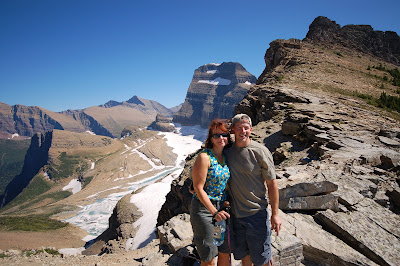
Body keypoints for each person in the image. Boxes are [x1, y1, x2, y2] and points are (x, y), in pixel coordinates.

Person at [224, 114, 282, 266]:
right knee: (245, 255)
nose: (242, 131)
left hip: (257, 215)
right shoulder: (227, 152)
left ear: (251, 129)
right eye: (239, 128)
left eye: (246, 128)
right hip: (236, 216)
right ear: (232, 130)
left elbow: (272, 184)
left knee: (263, 259)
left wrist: (275, 214)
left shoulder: (260, 151)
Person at [190, 119, 232, 266]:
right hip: (204, 211)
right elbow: (198, 188)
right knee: (208, 256)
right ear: (211, 138)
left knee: (222, 250)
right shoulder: (204, 157)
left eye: (224, 135)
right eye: (216, 135)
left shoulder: (226, 157)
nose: (221, 138)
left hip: (220, 210)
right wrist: (214, 212)